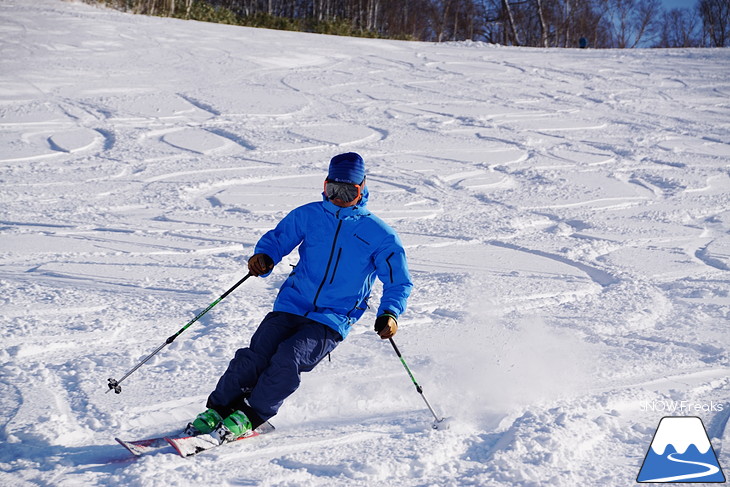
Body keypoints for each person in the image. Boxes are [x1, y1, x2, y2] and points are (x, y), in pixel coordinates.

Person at [186, 152, 413, 444]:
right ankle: (219, 410)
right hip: (293, 302)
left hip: (333, 316)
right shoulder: (309, 215)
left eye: (348, 192)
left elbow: (398, 281)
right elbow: (278, 239)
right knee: (255, 355)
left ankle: (251, 415)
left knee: (289, 357)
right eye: (333, 190)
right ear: (325, 186)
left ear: (363, 189)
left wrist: (390, 313)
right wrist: (264, 257)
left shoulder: (379, 234)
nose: (339, 198)